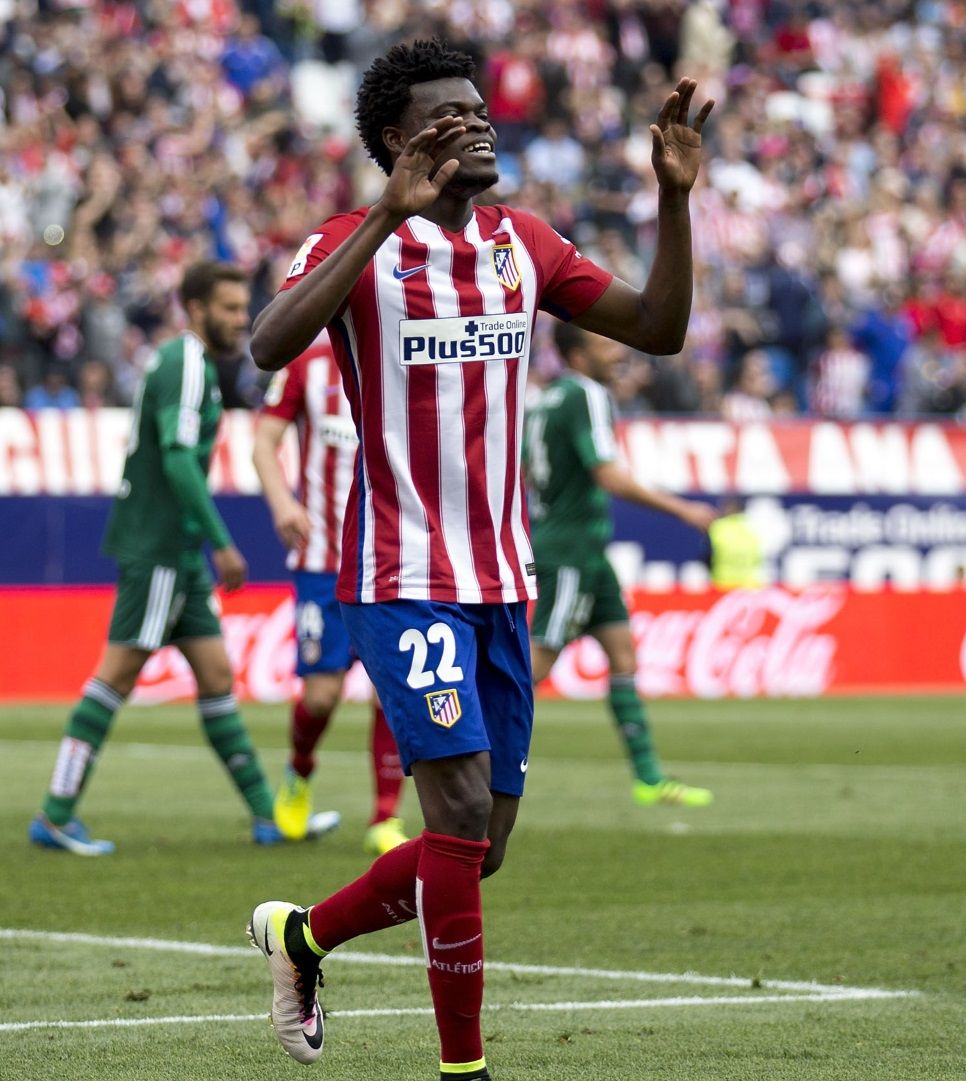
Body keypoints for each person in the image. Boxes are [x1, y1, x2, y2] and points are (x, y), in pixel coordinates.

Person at [243, 40, 712, 1080]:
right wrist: (384, 215)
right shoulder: (351, 242)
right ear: (398, 140)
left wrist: (674, 201)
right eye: (450, 116)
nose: (480, 125)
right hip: (401, 576)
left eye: (481, 110)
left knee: (479, 847)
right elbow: (268, 346)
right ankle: (465, 1070)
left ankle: (302, 938)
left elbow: (661, 328)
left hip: (502, 580)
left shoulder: (522, 245)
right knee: (453, 813)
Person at [28, 262, 340, 857]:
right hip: (161, 549)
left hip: (179, 551)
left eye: (242, 307)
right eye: (228, 309)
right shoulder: (189, 364)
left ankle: (266, 816)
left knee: (217, 675)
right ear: (195, 309)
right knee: (117, 675)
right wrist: (221, 540)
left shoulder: (185, 362)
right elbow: (176, 459)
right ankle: (56, 812)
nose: (241, 320)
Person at [526, 321, 716, 807]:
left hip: (581, 546)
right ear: (578, 357)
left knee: (622, 653)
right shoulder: (586, 394)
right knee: (539, 658)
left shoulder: (542, 400)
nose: (617, 351)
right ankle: (467, 752)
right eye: (603, 344)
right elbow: (608, 475)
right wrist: (682, 509)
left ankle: (648, 778)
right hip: (571, 549)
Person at [252, 332, 411, 857]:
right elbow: (263, 443)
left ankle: (385, 816)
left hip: (390, 557)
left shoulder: (400, 351)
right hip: (322, 559)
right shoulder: (307, 364)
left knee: (392, 690)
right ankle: (299, 770)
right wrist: (282, 504)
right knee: (321, 696)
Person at [707, 495, 765, 589]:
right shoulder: (754, 527)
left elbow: (706, 555)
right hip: (749, 586)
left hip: (723, 585)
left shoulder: (718, 527)